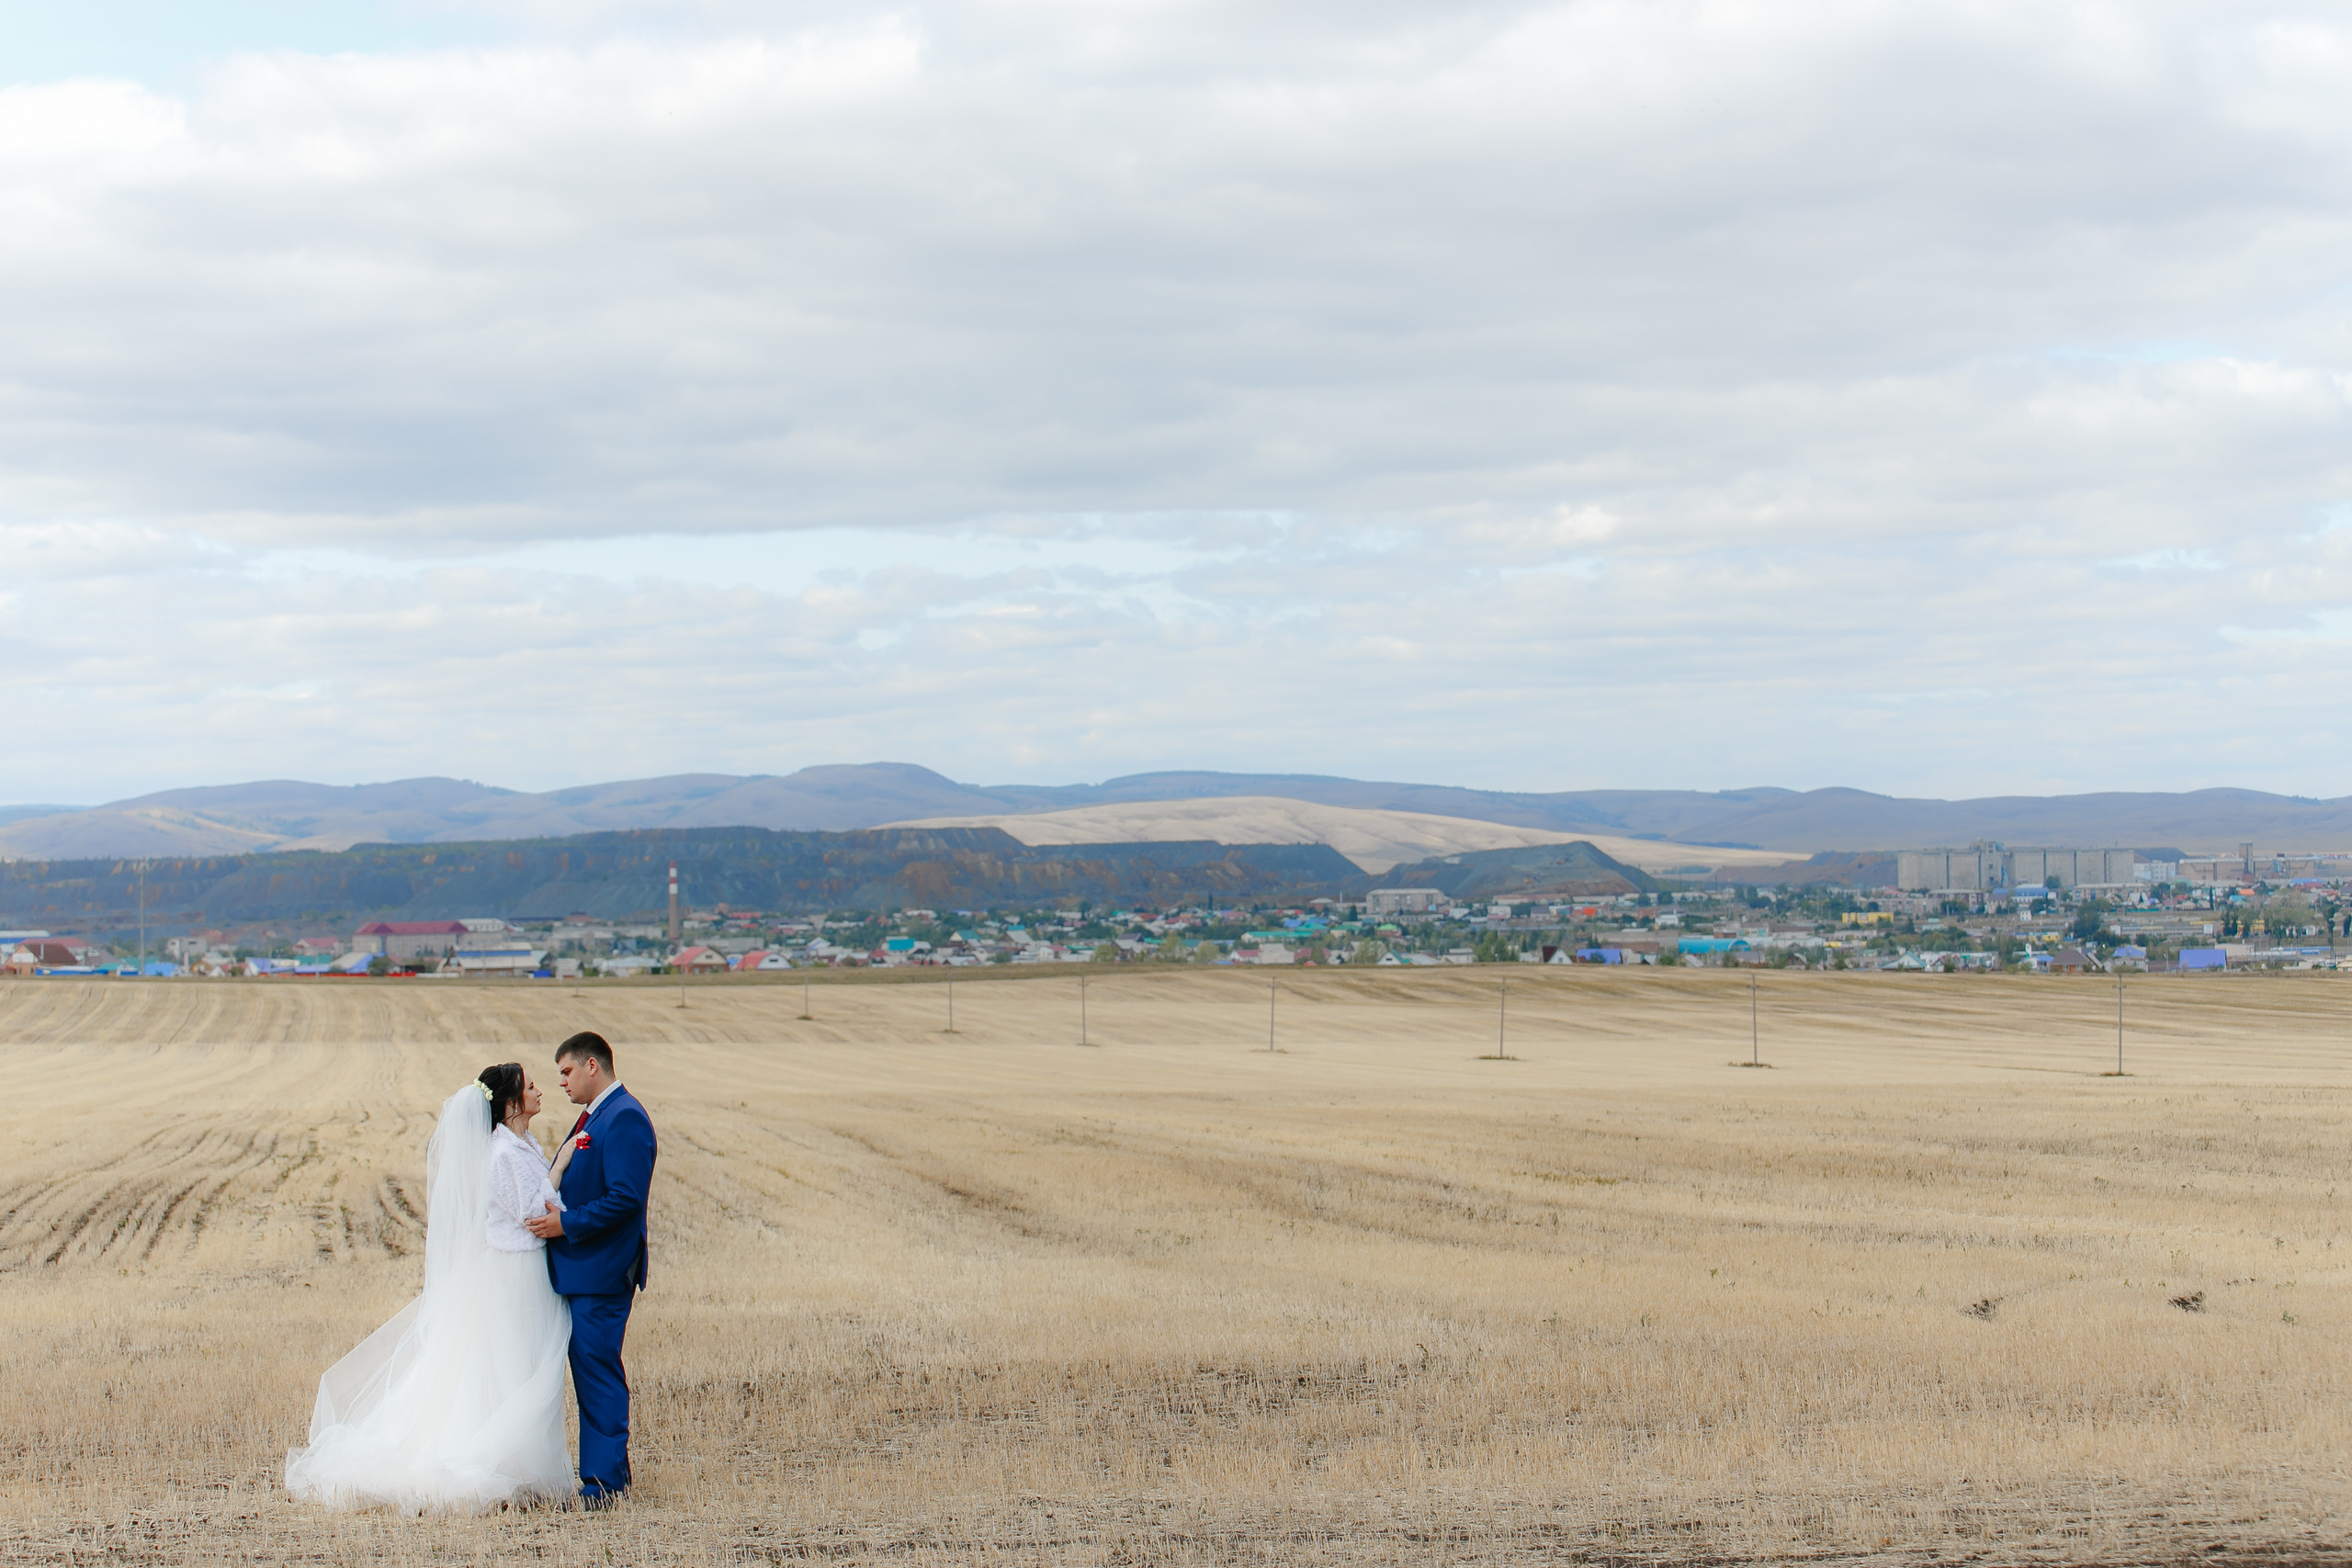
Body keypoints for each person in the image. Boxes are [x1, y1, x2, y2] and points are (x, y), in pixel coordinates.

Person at [285, 1063, 573, 1513]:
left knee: (517, 1363)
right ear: (512, 1103)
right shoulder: (504, 1154)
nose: (540, 1091)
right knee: (511, 1364)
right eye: (531, 1086)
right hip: (514, 1272)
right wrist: (561, 1169)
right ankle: (500, 1461)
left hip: (523, 1268)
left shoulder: (521, 1144)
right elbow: (534, 1216)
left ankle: (522, 1463)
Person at [525, 1031, 657, 1507]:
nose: (560, 1082)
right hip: (583, 1271)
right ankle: (601, 1477)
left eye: (565, 1071)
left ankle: (605, 1486)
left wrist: (565, 1225)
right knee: (588, 1370)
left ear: (592, 1066)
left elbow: (625, 1199)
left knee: (597, 1372)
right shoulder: (595, 1116)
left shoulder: (623, 1118)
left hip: (602, 1272)